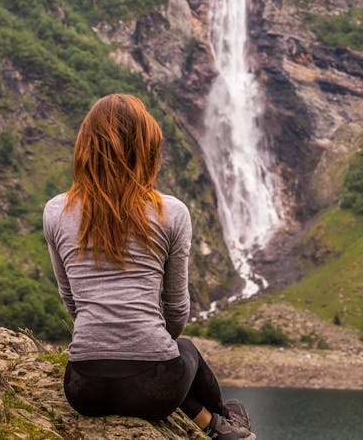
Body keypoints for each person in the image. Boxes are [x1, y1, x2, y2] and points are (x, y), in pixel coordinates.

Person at [43, 94, 256, 439]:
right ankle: (223, 422)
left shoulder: (55, 211)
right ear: (147, 150)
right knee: (185, 349)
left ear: (85, 147)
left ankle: (219, 424)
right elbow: (176, 310)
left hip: (83, 388)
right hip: (155, 390)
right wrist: (145, 342)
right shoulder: (171, 213)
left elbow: (72, 303)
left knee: (156, 358)